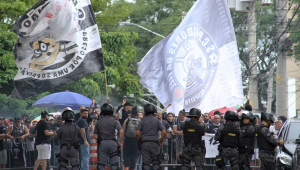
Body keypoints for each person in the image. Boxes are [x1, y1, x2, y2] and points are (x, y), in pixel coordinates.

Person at [94, 102, 124, 170]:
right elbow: (121, 131)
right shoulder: (114, 121)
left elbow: (95, 136)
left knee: (101, 164)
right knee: (114, 164)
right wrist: (121, 143)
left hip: (103, 143)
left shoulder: (99, 122)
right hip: (112, 143)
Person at [136, 104, 166, 170]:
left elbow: (137, 133)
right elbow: (164, 132)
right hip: (155, 143)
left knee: (146, 163)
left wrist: (139, 141)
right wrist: (160, 142)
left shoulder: (142, 121)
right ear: (154, 111)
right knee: (156, 163)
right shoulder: (157, 121)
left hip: (145, 144)